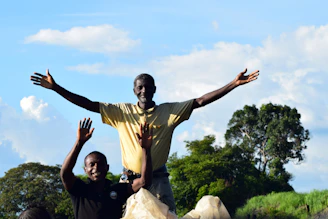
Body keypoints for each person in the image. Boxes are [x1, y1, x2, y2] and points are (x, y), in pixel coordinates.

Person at [31, 68, 259, 212]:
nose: (144, 90)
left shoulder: (169, 112)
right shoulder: (120, 112)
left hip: (157, 178)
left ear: (154, 90)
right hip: (127, 180)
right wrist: (56, 88)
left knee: (167, 215)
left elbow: (199, 101)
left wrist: (233, 84)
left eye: (148, 87)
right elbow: (89, 104)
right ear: (134, 90)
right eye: (140, 87)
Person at [60, 118, 152, 219]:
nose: (96, 167)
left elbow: (144, 182)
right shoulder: (80, 190)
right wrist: (79, 142)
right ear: (85, 170)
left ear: (107, 168)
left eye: (100, 164)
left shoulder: (118, 189)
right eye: (92, 164)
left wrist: (145, 149)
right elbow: (65, 173)